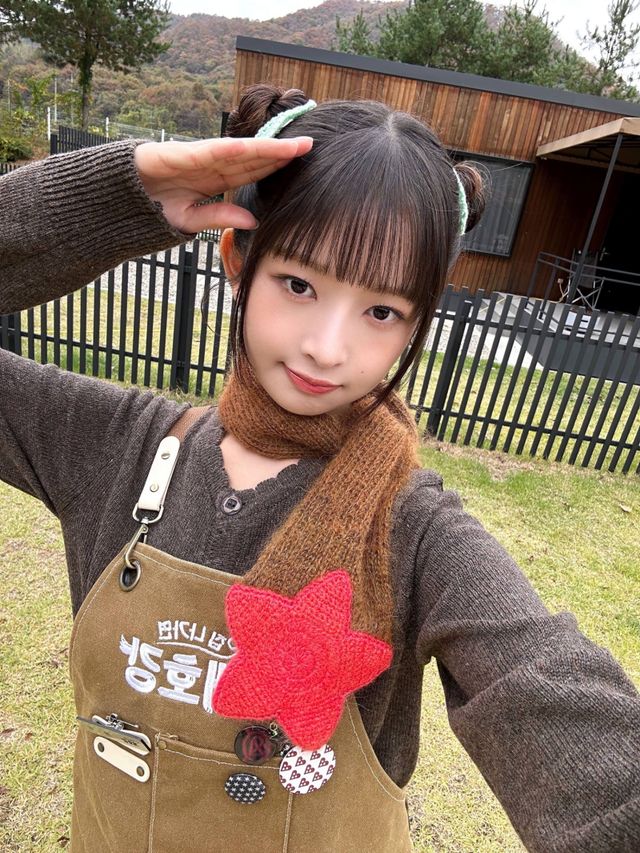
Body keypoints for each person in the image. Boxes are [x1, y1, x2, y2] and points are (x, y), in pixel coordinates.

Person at [0, 83, 638, 853]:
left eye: (382, 311)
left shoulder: (414, 529)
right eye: (299, 284)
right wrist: (122, 194)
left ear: (416, 324)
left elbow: (548, 691)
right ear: (238, 259)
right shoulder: (111, 446)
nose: (327, 347)